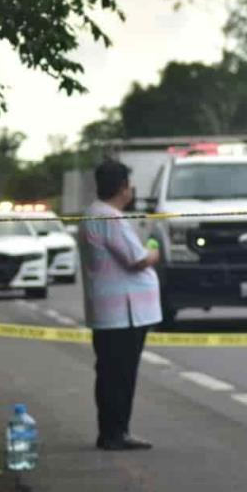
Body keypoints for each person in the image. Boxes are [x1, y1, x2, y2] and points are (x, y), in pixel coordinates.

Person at [79, 159, 162, 452]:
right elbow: (136, 259)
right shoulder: (109, 218)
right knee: (119, 375)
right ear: (123, 187)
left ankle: (113, 431)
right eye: (129, 184)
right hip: (123, 314)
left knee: (112, 374)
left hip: (115, 311)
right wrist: (154, 249)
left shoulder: (94, 213)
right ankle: (116, 433)